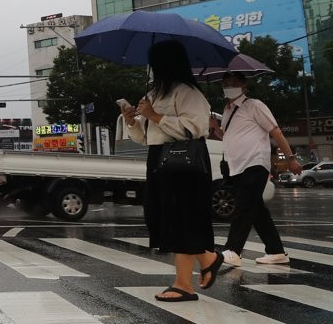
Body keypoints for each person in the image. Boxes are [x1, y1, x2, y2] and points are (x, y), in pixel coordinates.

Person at [122, 40, 222, 302]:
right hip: (159, 160)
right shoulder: (156, 94)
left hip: (185, 162)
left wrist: (155, 116)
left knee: (183, 218)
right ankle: (207, 259)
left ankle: (184, 283)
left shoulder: (188, 92)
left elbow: (196, 128)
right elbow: (145, 137)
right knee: (165, 216)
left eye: (155, 62)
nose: (152, 68)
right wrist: (133, 119)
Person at [209, 71, 301, 266]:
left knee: (243, 207)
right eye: (225, 83)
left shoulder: (254, 105)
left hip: (255, 163)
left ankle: (233, 250)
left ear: (244, 86)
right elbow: (228, 136)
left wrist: (291, 159)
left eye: (233, 83)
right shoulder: (227, 109)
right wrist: (215, 128)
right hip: (237, 166)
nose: (228, 86)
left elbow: (275, 130)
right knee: (257, 210)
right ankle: (276, 251)